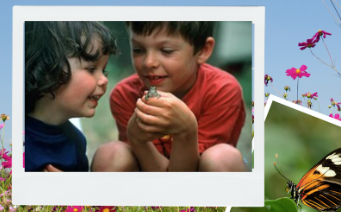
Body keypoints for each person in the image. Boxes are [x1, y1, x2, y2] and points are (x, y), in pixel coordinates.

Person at [92, 21, 247, 172]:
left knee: (223, 158)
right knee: (110, 155)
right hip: (151, 181)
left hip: (203, 187)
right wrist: (137, 140)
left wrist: (186, 130)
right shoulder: (125, 95)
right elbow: (161, 175)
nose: (149, 62)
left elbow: (186, 179)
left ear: (203, 50)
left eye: (166, 50)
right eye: (138, 49)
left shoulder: (222, 90)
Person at [24, 21, 118, 172]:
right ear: (48, 70)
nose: (104, 80)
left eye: (104, 71)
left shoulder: (76, 142)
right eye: (91, 69)